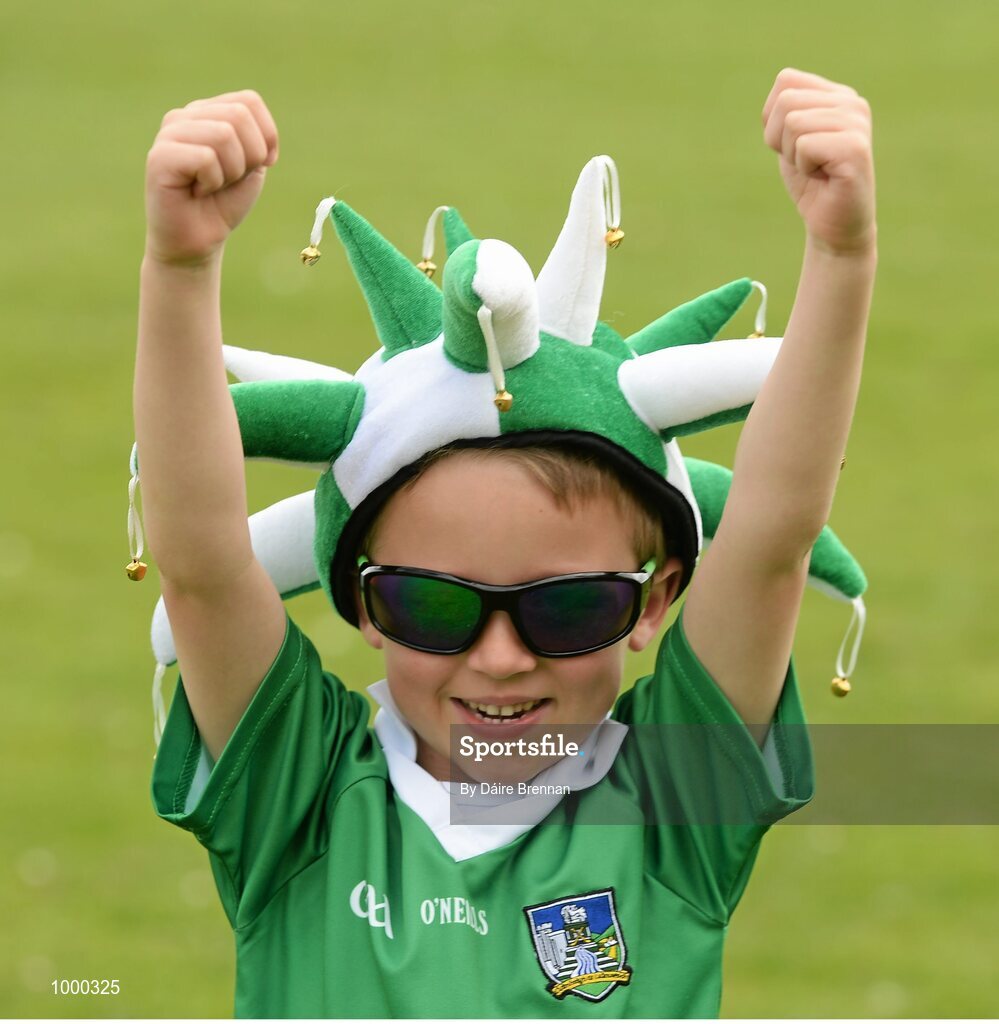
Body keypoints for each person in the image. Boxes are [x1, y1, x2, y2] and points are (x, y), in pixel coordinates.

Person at [134, 68, 875, 1016]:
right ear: (361, 600)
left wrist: (841, 253)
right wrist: (182, 268)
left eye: (569, 607)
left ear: (651, 602)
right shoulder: (297, 795)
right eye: (431, 604)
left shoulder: (675, 801)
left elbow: (772, 533)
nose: (498, 658)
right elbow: (198, 561)